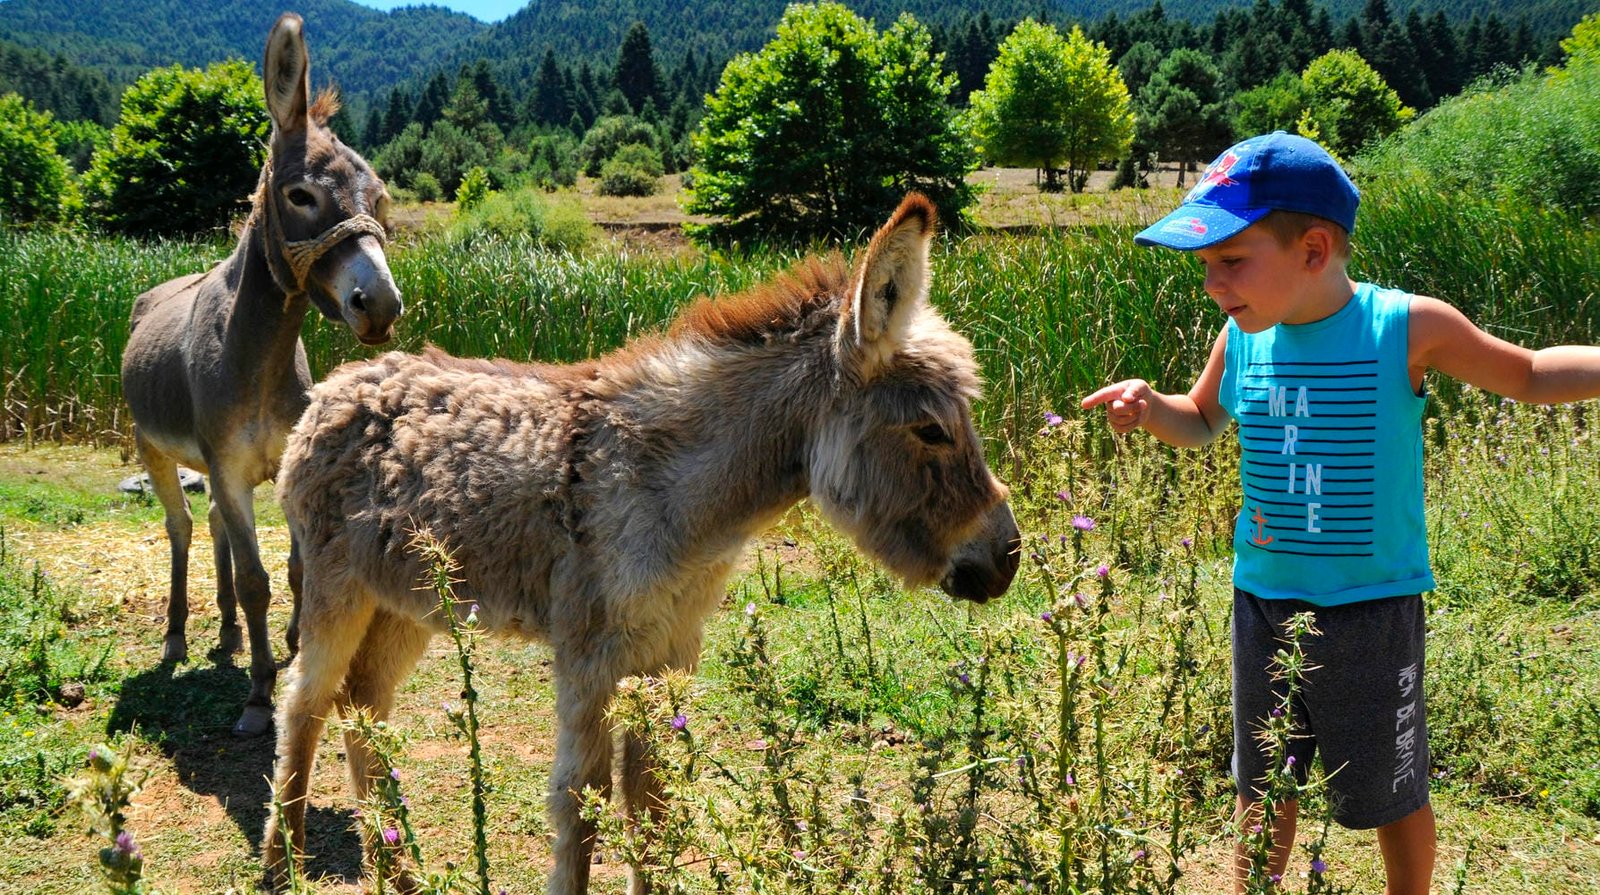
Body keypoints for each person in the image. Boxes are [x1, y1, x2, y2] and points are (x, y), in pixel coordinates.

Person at [1080, 131, 1600, 895]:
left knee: (1392, 789)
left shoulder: (1403, 326)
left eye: (1230, 261)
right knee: (1263, 782)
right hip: (1263, 602)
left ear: (1314, 249)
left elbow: (1523, 374)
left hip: (1371, 610)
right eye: (1205, 267)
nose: (1212, 284)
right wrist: (1149, 405)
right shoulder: (1241, 339)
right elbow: (1198, 418)